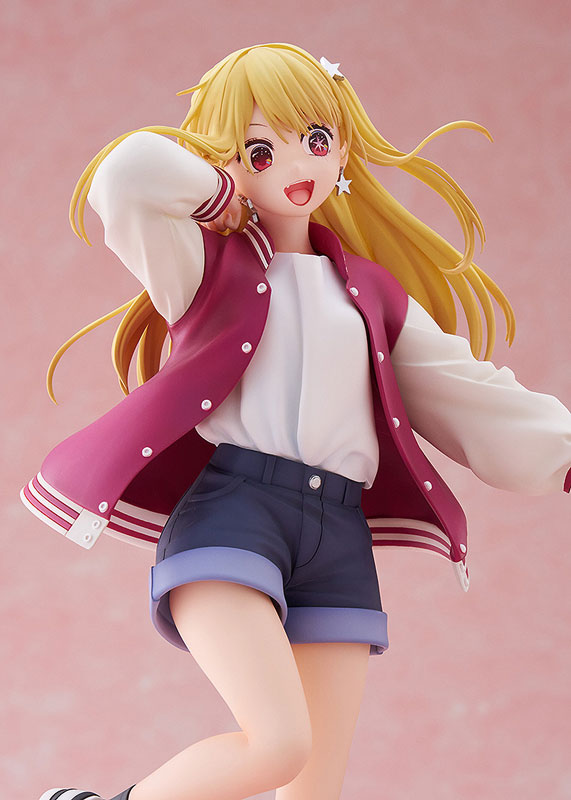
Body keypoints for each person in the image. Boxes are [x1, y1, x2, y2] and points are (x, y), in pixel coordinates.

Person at [27, 44, 571, 800]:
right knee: (277, 744)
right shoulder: (204, 268)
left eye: (315, 138)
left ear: (343, 146)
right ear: (230, 160)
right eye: (261, 149)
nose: (296, 164)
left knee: (315, 788)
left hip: (337, 535)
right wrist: (219, 196)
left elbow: (465, 391)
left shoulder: (371, 293)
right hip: (234, 514)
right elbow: (125, 176)